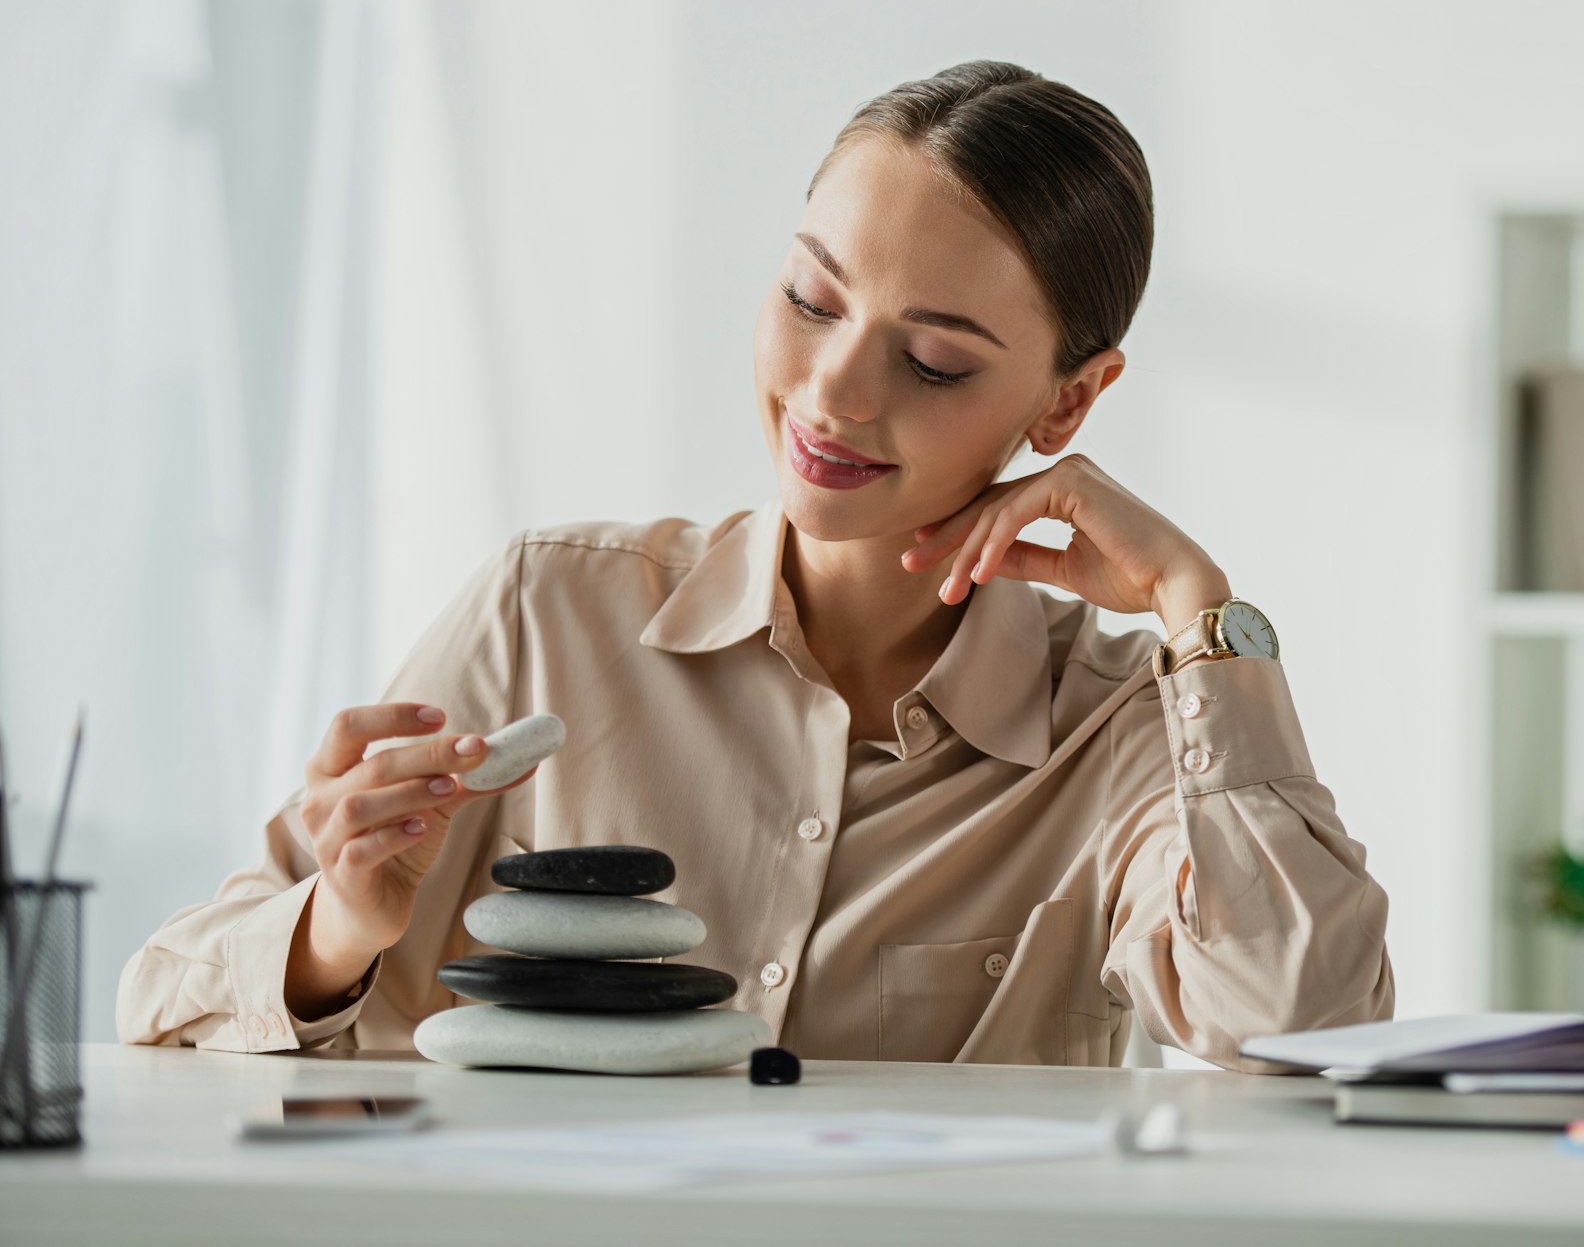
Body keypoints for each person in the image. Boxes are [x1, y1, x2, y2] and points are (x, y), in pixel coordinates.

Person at [116, 60, 1394, 1071]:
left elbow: (1303, 1024)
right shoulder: (547, 609)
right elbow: (165, 993)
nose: (830, 393)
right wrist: (343, 925)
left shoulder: (1116, 733)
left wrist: (1198, 612)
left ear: (1065, 408)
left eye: (935, 360)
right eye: (809, 298)